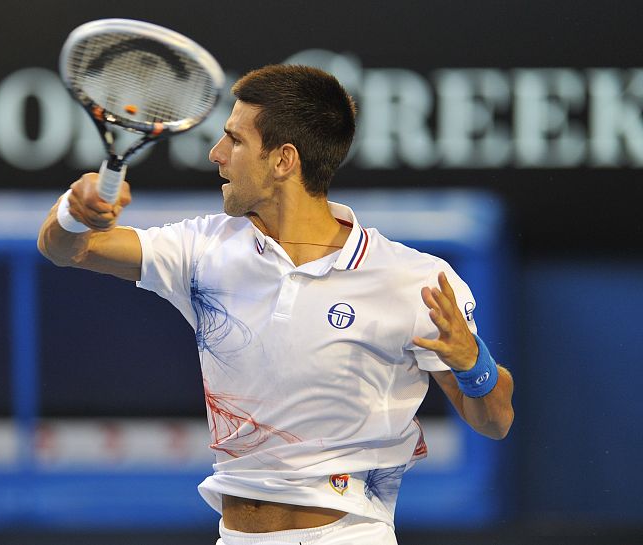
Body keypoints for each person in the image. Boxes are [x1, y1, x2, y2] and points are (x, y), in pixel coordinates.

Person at [38, 64, 514, 545]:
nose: (216, 153)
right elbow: (68, 249)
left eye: (235, 140)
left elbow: (496, 421)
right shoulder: (202, 249)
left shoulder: (413, 280)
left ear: (284, 160)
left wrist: (473, 363)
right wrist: (74, 214)